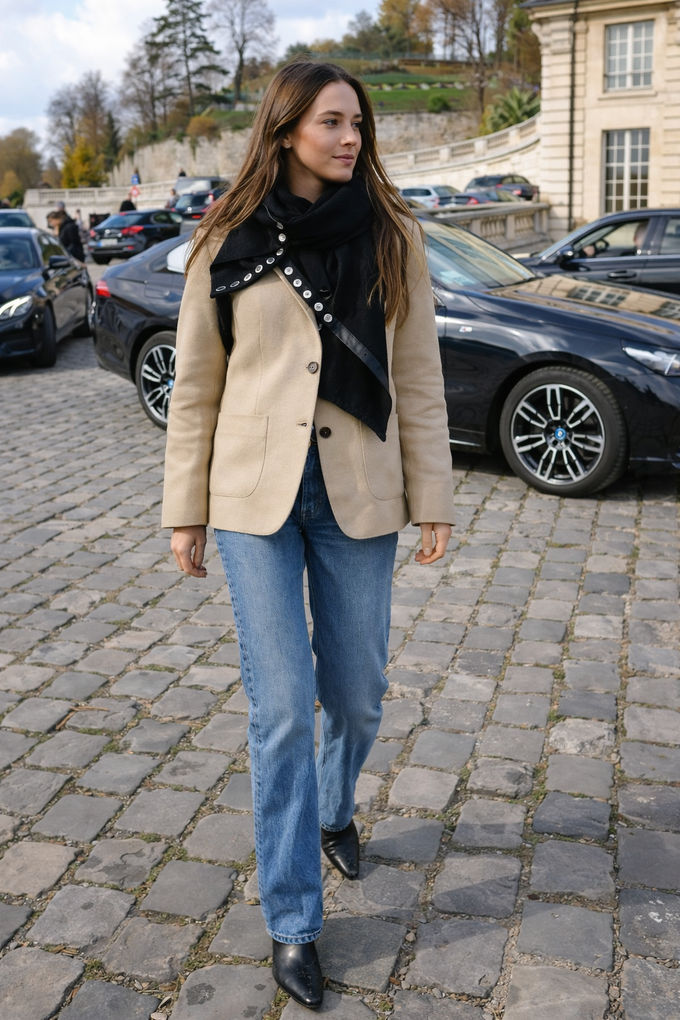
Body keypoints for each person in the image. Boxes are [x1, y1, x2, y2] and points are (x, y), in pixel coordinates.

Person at [162, 61, 454, 1011]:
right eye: (333, 122)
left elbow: (418, 376)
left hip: (356, 491)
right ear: (286, 128)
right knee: (283, 705)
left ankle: (336, 808)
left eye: (359, 125)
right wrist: (185, 509)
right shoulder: (225, 238)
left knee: (358, 694)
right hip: (254, 498)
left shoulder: (391, 236)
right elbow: (197, 388)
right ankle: (294, 923)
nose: (351, 138)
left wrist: (435, 495)